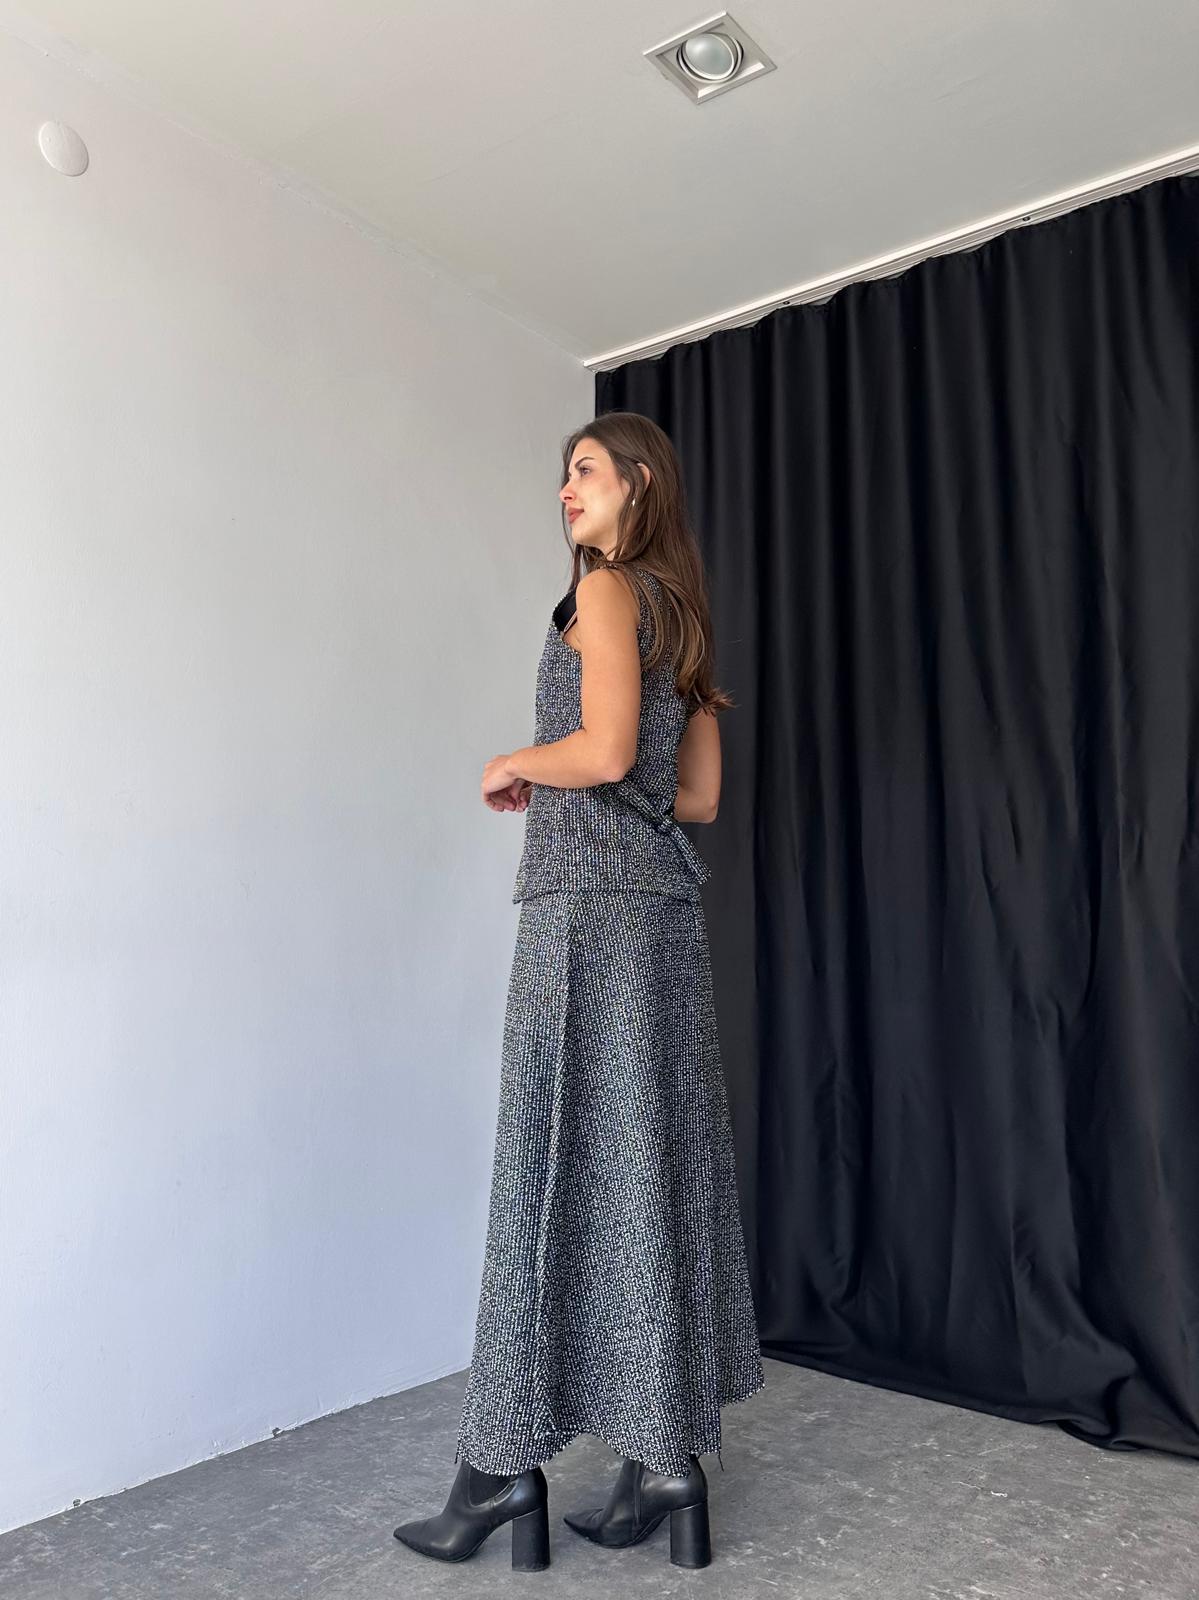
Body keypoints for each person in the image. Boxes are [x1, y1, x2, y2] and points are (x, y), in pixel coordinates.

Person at [392, 412, 763, 1571]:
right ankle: (664, 1458)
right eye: (562, 474)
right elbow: (693, 797)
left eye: (586, 470)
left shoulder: (604, 591)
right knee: (647, 1163)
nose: (565, 489)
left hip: (581, 916)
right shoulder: (681, 619)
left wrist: (515, 760)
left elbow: (602, 752)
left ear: (638, 483)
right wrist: (577, 765)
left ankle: (498, 1469)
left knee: (544, 1168)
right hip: (661, 919)